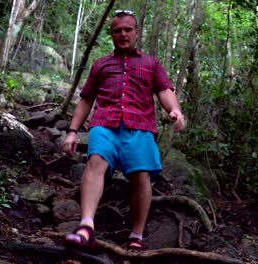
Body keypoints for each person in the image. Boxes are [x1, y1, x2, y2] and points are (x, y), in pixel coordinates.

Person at [63, 9, 185, 252]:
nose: (123, 34)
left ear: (136, 33)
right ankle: (86, 226)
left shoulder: (151, 64)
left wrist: (175, 110)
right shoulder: (101, 65)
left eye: (128, 30)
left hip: (139, 126)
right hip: (105, 124)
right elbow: (87, 99)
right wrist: (73, 131)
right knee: (96, 161)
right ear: (111, 34)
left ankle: (136, 236)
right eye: (117, 31)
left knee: (141, 175)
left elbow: (164, 90)